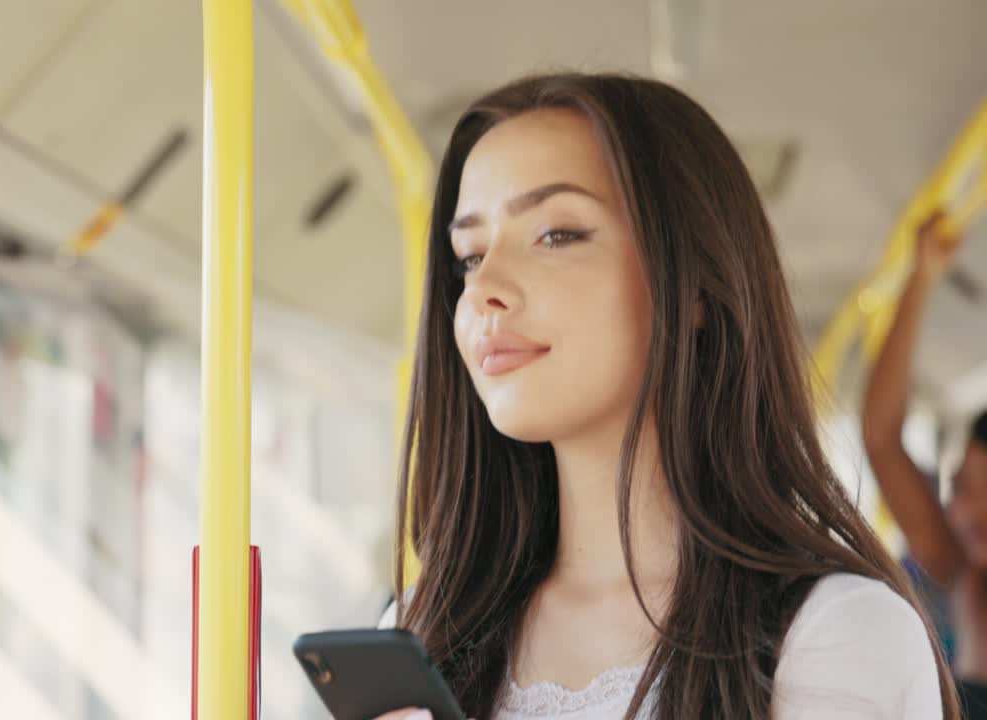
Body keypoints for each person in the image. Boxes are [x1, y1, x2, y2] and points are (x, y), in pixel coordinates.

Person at [371, 73, 957, 719]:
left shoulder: (836, 634)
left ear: (693, 287)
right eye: (469, 256)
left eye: (557, 234)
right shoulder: (422, 627)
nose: (484, 291)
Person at [861, 211, 987, 708]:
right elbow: (882, 437)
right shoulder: (960, 569)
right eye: (961, 489)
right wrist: (922, 278)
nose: (969, 512)